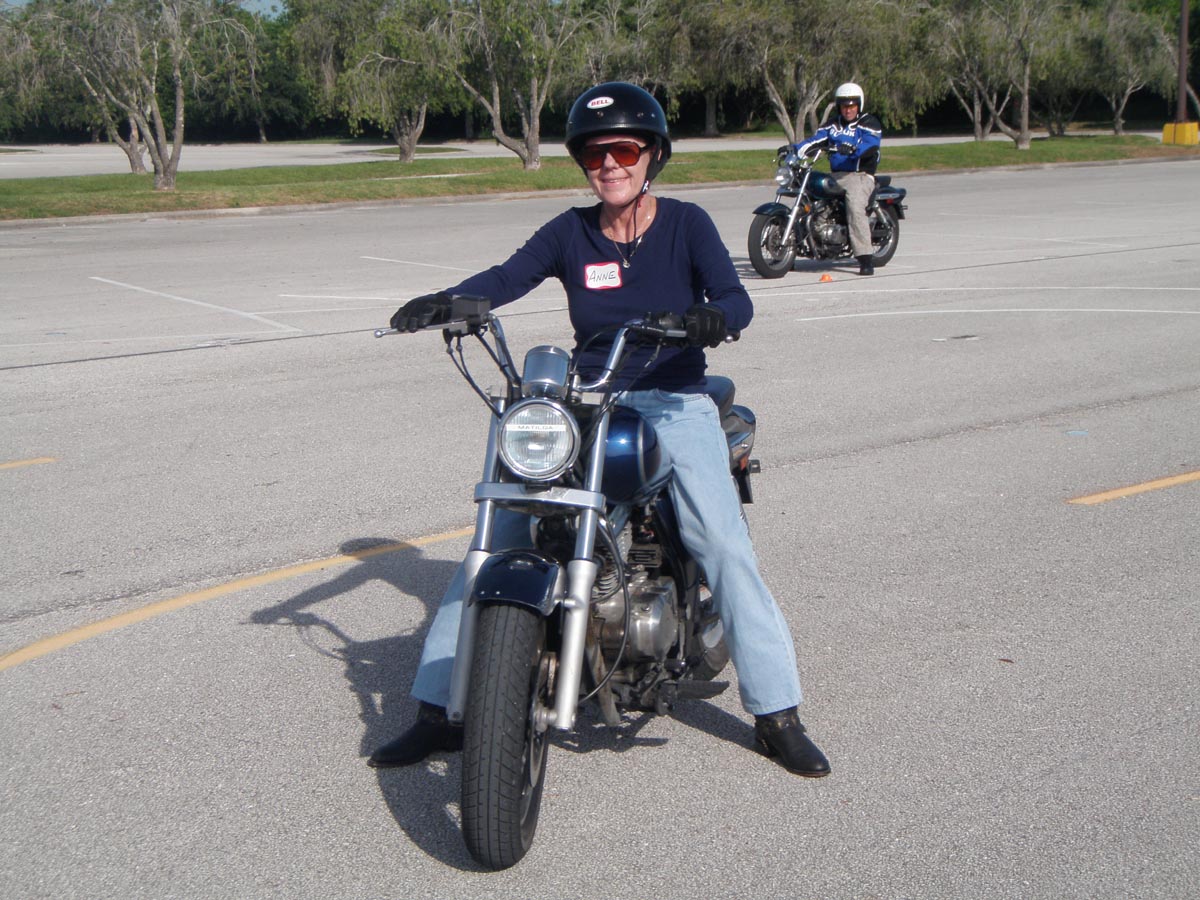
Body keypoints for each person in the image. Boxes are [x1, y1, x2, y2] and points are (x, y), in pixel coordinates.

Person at [369, 82, 830, 778]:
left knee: (722, 545)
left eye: (624, 150)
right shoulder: (570, 232)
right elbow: (506, 277)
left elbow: (735, 298)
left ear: (653, 155)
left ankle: (778, 714)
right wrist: (447, 301)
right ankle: (440, 711)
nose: (609, 164)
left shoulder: (686, 224)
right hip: (588, 399)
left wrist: (712, 318)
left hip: (674, 400)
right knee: (495, 541)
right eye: (593, 153)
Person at [793, 81, 882, 275]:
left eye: (852, 105)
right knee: (809, 195)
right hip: (837, 175)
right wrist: (795, 150)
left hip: (860, 176)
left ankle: (865, 258)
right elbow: (816, 140)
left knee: (855, 206)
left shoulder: (868, 123)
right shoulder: (832, 125)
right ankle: (795, 246)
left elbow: (871, 143)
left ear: (859, 105)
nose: (848, 110)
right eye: (844, 106)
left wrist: (854, 149)